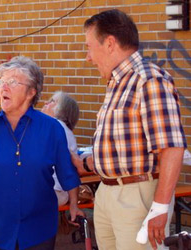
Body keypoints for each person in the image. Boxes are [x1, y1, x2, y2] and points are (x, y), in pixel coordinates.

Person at [72, 9, 187, 250]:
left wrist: (159, 207)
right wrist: (86, 162)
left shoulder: (148, 80)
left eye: (89, 47)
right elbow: (124, 148)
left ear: (110, 43)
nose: (88, 57)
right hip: (108, 192)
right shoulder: (117, 84)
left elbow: (172, 148)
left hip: (137, 196)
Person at [0, 56, 83, 249]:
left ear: (31, 92)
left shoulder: (51, 129)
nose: (3, 87)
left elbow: (67, 173)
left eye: (12, 82)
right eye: (1, 82)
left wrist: (74, 204)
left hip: (39, 227)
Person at [42, 91, 80, 206]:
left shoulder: (55, 127)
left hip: (54, 191)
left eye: (52, 101)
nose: (45, 103)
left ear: (61, 110)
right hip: (53, 189)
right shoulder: (57, 127)